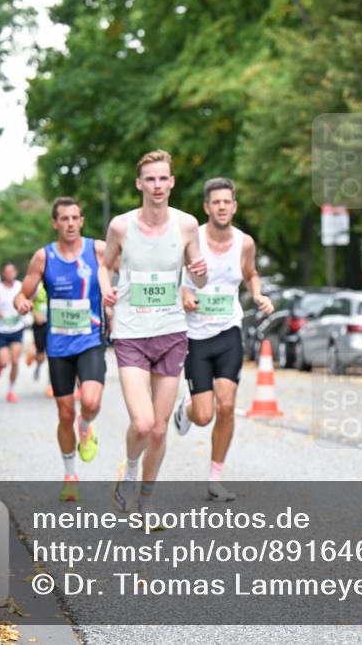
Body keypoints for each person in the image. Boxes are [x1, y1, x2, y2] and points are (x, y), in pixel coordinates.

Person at [100, 149, 207, 515]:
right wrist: (105, 288)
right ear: (139, 183)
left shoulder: (188, 225)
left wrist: (200, 272)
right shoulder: (120, 226)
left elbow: (199, 277)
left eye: (163, 178)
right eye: (150, 179)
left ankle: (146, 499)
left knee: (160, 430)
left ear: (172, 182)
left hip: (171, 332)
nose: (157, 185)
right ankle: (129, 472)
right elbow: (105, 266)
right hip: (131, 332)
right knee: (143, 424)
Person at [171, 177, 274, 501]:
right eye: (216, 202)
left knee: (226, 405)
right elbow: (173, 276)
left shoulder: (245, 243)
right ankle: (186, 409)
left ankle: (215, 477)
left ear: (234, 206)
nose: (222, 207)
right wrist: (184, 292)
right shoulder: (191, 238)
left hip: (228, 330)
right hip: (196, 336)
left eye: (227, 201)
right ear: (206, 207)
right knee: (204, 415)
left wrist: (256, 293)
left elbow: (250, 273)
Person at [14, 197, 107, 502]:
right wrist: (22, 303)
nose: (70, 223)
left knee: (90, 402)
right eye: (63, 218)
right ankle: (70, 475)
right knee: (64, 412)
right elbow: (22, 293)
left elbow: (134, 269)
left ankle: (87, 425)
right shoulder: (44, 257)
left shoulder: (98, 250)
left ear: (82, 221)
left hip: (91, 338)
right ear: (54, 223)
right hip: (58, 346)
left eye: (75, 218)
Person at [0, 263, 26, 403]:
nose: (9, 274)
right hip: (1, 330)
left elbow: (29, 299)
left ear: (16, 272)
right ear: (3, 274)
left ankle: (11, 390)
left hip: (17, 328)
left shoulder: (20, 286)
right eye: (7, 272)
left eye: (12, 271)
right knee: (4, 362)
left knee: (16, 361)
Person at [26, 283, 50, 392]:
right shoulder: (37, 286)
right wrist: (35, 315)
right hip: (39, 324)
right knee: (41, 356)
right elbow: (27, 302)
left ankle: (51, 384)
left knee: (52, 355)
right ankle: (37, 361)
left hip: (52, 325)